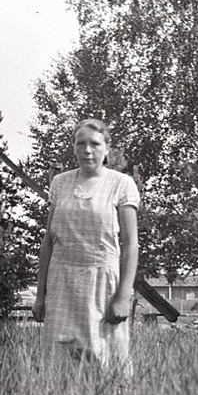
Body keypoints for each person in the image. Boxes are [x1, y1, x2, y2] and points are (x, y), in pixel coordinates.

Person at [31, 119, 139, 373]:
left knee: (106, 360)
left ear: (107, 149)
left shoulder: (121, 184)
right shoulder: (60, 183)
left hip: (102, 282)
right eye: (81, 144)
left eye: (94, 144)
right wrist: (40, 295)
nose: (87, 150)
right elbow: (48, 241)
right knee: (60, 363)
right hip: (62, 282)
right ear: (74, 147)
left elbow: (131, 243)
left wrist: (123, 296)